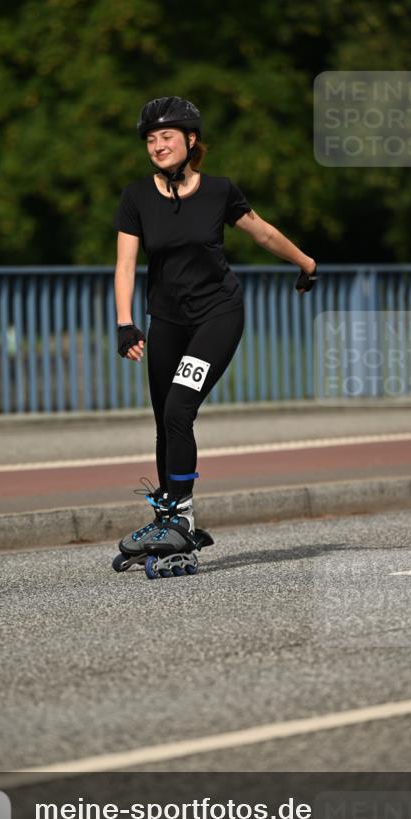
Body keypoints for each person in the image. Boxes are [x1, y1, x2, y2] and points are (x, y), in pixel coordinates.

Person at [113, 95, 316, 565]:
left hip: (218, 315)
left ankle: (179, 519)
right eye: (150, 139)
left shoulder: (219, 191)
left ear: (190, 140)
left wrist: (306, 262)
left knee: (181, 406)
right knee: (165, 417)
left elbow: (262, 232)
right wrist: (125, 324)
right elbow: (125, 265)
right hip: (165, 319)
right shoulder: (136, 197)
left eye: (167, 137)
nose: (158, 146)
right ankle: (169, 514)